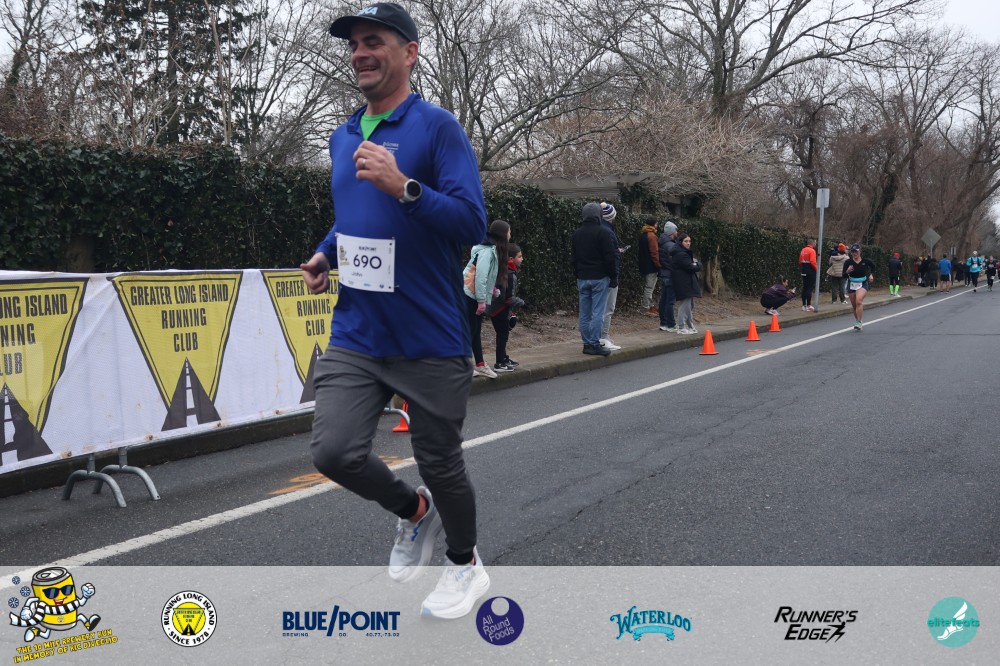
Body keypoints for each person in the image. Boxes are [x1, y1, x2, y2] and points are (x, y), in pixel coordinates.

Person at [301, 2, 489, 620]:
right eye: (354, 43)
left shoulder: (438, 128)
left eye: (374, 41)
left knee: (440, 462)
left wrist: (405, 187)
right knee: (334, 453)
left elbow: (471, 222)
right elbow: (353, 218)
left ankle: (465, 564)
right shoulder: (343, 136)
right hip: (358, 331)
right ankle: (414, 512)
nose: (360, 52)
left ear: (409, 52)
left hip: (429, 333)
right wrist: (326, 252)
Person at [464, 220, 509, 378]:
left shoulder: (491, 249)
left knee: (475, 330)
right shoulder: (488, 251)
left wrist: (491, 290)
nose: (510, 235)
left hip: (473, 293)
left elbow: (484, 276)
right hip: (470, 294)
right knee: (471, 331)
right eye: (509, 232)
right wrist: (482, 300)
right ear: (503, 234)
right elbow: (481, 276)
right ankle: (463, 366)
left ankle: (479, 364)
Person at [572, 202, 616, 356]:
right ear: (599, 215)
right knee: (598, 312)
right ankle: (594, 343)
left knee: (584, 313)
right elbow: (609, 257)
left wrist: (577, 274)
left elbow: (574, 257)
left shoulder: (577, 233)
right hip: (599, 276)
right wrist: (613, 276)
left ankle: (586, 343)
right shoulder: (603, 232)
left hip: (582, 277)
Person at [488, 242, 525, 372]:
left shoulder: (504, 269)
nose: (522, 259)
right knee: (502, 335)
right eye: (519, 256)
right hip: (499, 309)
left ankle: (504, 358)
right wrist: (522, 303)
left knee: (503, 334)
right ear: (511, 259)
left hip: (496, 308)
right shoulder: (510, 274)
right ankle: (499, 363)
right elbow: (508, 298)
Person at [599, 202, 623, 350]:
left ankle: (594, 338)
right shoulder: (608, 233)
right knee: (608, 308)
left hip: (594, 275)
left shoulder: (594, 229)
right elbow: (610, 257)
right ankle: (603, 337)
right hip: (607, 276)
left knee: (595, 309)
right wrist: (614, 276)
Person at [671, 234, 702, 334]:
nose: (688, 243)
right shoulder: (681, 254)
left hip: (687, 281)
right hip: (684, 282)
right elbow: (691, 267)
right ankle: (681, 327)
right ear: (681, 242)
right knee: (685, 305)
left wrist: (695, 264)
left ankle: (690, 326)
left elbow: (691, 265)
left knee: (689, 305)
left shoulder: (681, 253)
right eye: (686, 241)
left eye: (689, 241)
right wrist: (698, 264)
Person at [843, 244, 876, 330]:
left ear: (860, 251)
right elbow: (843, 275)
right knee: (854, 306)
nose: (854, 253)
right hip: (851, 284)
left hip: (862, 283)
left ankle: (858, 322)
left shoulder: (866, 261)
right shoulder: (848, 262)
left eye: (856, 251)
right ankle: (859, 321)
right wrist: (847, 271)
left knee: (859, 301)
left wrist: (871, 275)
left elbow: (873, 267)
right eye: (853, 252)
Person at [657, 221, 679, 332]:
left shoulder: (662, 242)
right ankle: (671, 324)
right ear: (672, 232)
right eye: (676, 230)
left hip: (664, 274)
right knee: (670, 301)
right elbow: (674, 260)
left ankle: (663, 323)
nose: (677, 232)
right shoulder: (670, 245)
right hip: (670, 275)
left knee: (664, 300)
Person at [637, 219, 660, 317]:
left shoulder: (643, 235)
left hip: (644, 264)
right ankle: (646, 307)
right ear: (654, 224)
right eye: (656, 224)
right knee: (650, 287)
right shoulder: (652, 236)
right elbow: (654, 252)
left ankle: (650, 306)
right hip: (651, 266)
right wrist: (658, 264)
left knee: (649, 287)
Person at [799, 240, 818, 311]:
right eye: (815, 243)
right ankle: (809, 305)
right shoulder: (812, 251)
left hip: (804, 269)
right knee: (809, 288)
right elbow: (812, 261)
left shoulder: (803, 250)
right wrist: (817, 269)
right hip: (811, 270)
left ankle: (804, 305)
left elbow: (800, 261)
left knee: (805, 287)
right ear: (812, 243)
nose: (816, 244)